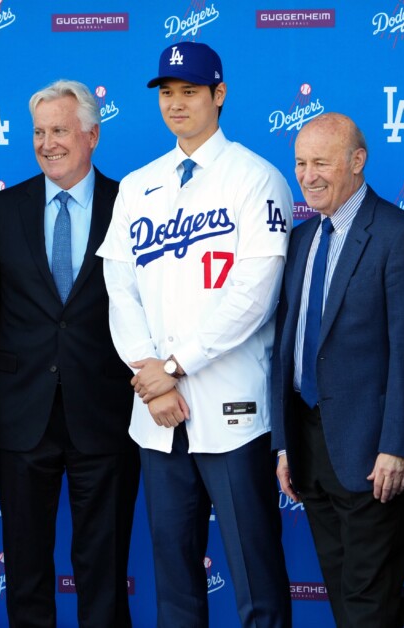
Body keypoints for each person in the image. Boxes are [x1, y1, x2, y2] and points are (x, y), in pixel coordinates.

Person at [97, 42, 292, 627]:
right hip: (157, 415)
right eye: (167, 93)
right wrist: (150, 376)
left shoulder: (257, 179)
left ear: (219, 94)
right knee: (174, 582)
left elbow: (253, 297)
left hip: (231, 413)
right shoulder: (139, 185)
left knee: (256, 578)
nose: (176, 104)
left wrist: (174, 365)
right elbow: (119, 287)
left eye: (189, 91)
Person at [0, 79, 139, 628]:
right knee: (25, 566)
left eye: (60, 131)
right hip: (24, 413)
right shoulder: (0, 209)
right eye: (39, 132)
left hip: (108, 411)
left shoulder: (133, 204)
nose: (48, 143)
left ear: (91, 135)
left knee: (104, 563)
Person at [270, 112, 404, 627]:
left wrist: (397, 446)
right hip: (309, 448)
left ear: (357, 161)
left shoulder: (399, 235)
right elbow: (286, 350)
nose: (308, 174)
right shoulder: (301, 240)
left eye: (321, 161)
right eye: (300, 162)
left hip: (372, 455)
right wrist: (283, 444)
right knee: (343, 595)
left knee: (368, 602)